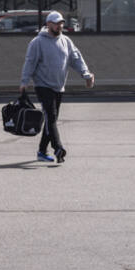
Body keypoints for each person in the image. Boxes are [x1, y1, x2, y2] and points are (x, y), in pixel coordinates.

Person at [19, 10, 94, 164]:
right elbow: (30, 62)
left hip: (59, 86)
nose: (59, 26)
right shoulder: (37, 42)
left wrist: (86, 74)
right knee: (51, 117)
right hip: (43, 85)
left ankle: (41, 151)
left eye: (61, 23)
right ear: (48, 24)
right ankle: (58, 148)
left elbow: (76, 58)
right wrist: (24, 81)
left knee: (51, 119)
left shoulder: (66, 41)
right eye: (56, 23)